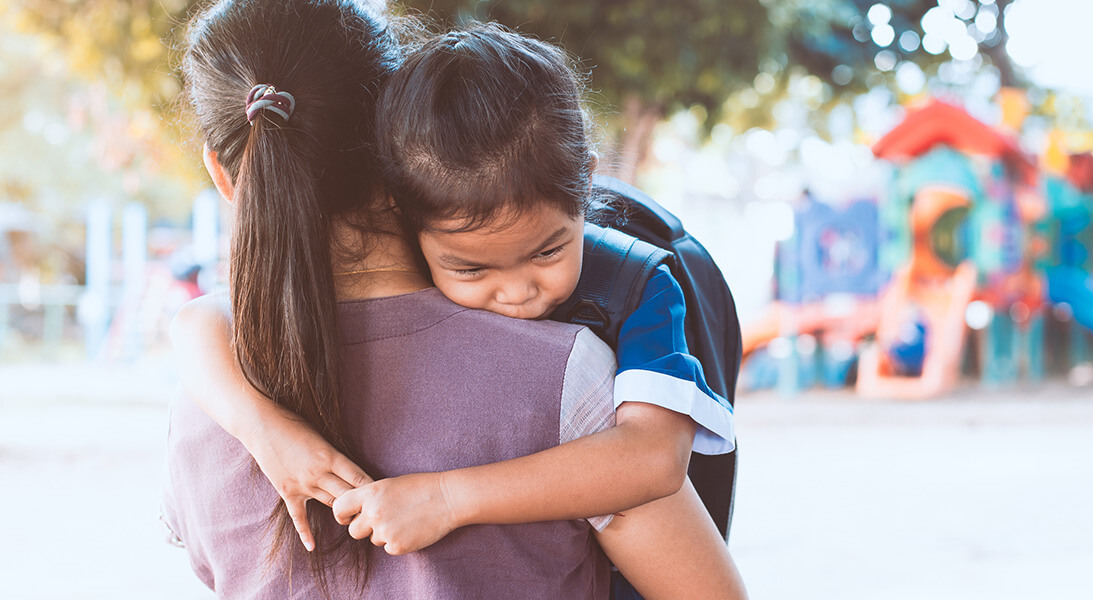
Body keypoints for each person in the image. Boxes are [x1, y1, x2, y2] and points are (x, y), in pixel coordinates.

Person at [163, 0, 745, 598]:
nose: (517, 293)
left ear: (223, 172)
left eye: (545, 252)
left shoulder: (206, 398)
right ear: (393, 152)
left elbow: (200, 319)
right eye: (471, 266)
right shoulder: (571, 378)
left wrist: (262, 428)